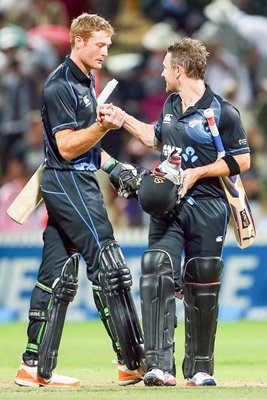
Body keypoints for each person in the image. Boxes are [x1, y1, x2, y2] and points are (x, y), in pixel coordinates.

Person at [98, 37, 251, 386]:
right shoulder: (171, 103)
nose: (162, 72)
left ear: (180, 70)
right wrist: (122, 119)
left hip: (209, 207)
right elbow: (157, 138)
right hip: (169, 206)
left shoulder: (222, 112)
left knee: (203, 279)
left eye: (166, 67)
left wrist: (197, 172)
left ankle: (200, 369)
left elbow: (241, 160)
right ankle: (159, 367)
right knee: (156, 270)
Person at [15, 13, 145, 388]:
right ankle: (130, 362)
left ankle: (33, 365)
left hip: (77, 179)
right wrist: (103, 127)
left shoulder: (87, 81)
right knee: (109, 265)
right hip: (69, 182)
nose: (105, 51)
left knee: (55, 275)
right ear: (79, 42)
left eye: (108, 44)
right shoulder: (61, 85)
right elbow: (68, 147)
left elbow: (86, 143)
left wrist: (114, 166)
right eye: (100, 44)